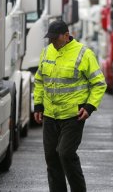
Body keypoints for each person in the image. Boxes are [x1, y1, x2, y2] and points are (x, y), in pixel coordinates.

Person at [33, 20, 107, 192]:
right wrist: (38, 105)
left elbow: (99, 84)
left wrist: (89, 107)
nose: (51, 42)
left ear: (66, 36)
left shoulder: (84, 54)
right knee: (51, 158)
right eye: (49, 38)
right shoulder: (46, 52)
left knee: (65, 154)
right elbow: (39, 81)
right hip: (50, 115)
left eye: (55, 38)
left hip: (74, 115)